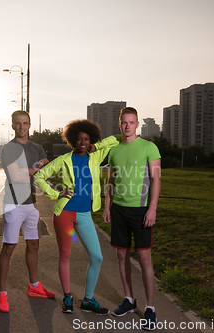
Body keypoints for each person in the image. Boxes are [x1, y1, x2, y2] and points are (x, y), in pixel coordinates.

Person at [34, 119, 120, 315]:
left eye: (87, 139)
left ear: (91, 140)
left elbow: (116, 139)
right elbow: (39, 177)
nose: (83, 142)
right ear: (73, 140)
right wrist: (56, 194)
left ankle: (88, 300)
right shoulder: (63, 160)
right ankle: (67, 297)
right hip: (65, 213)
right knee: (65, 256)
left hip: (84, 214)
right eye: (79, 139)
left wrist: (97, 146)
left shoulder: (95, 156)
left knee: (97, 257)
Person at [102, 107, 161, 331]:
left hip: (141, 209)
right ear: (120, 124)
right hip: (119, 209)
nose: (127, 126)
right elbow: (111, 181)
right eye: (124, 122)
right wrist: (107, 206)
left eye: (131, 122)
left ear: (137, 124)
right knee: (121, 255)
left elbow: (156, 180)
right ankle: (129, 299)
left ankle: (151, 308)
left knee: (144, 258)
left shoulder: (149, 147)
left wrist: (152, 208)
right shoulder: (115, 150)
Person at [0, 110, 54, 313]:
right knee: (9, 248)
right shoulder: (8, 149)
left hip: (30, 203)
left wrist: (32, 170)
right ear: (12, 126)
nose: (22, 127)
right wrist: (36, 171)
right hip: (13, 203)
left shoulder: (37, 148)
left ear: (30, 125)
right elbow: (15, 176)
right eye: (18, 123)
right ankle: (2, 294)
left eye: (25, 123)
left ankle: (34, 286)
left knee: (34, 244)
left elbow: (46, 171)